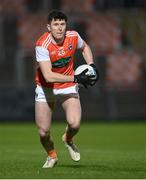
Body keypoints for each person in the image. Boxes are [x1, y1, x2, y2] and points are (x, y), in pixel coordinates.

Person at [34, 10, 99, 168]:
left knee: (75, 124)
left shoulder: (73, 36)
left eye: (62, 24)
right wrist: (76, 78)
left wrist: (91, 65)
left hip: (68, 86)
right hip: (46, 88)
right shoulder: (42, 45)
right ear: (48, 27)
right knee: (43, 132)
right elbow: (48, 76)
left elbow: (85, 47)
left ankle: (68, 139)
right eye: (55, 24)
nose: (59, 28)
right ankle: (52, 155)